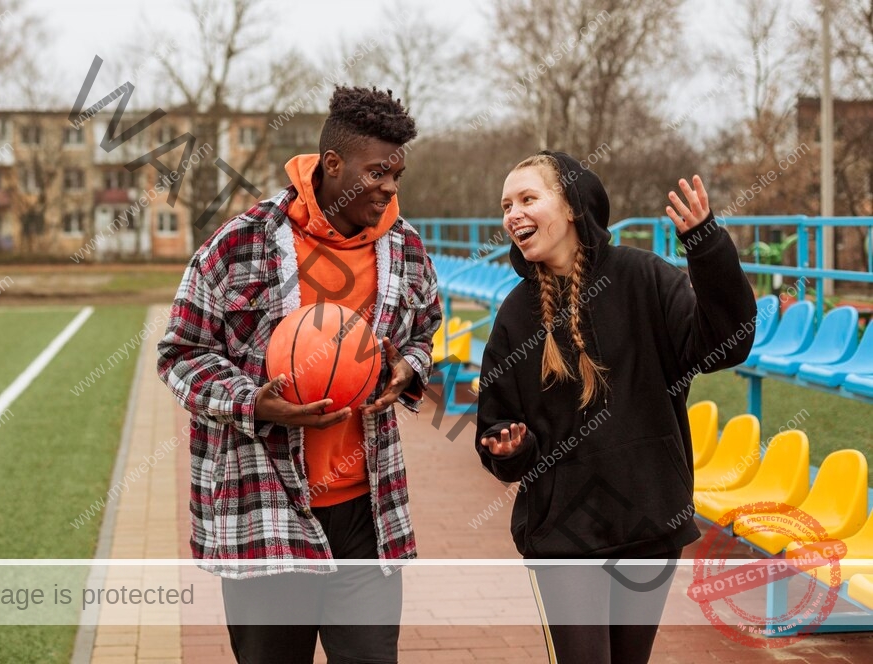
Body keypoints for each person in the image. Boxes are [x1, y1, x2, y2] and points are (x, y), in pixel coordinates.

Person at [156, 86, 441, 664]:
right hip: (266, 508)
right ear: (332, 165)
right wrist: (251, 402)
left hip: (367, 510)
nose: (390, 186)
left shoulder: (404, 245)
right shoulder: (238, 242)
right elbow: (179, 352)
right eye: (378, 171)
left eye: (397, 173)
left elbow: (425, 327)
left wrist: (406, 368)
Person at [475, 151, 756, 663]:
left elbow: (727, 341)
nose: (512, 214)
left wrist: (707, 246)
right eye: (506, 205)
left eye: (528, 199)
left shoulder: (643, 276)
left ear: (573, 207)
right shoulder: (515, 315)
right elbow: (495, 424)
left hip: (648, 517)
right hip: (563, 530)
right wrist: (509, 446)